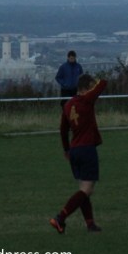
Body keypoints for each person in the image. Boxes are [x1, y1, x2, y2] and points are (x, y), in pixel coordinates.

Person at [49, 74, 107, 234]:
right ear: (86, 88)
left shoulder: (68, 105)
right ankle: (60, 217)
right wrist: (96, 82)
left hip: (75, 150)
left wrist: (66, 149)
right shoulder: (87, 100)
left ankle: (90, 224)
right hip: (87, 149)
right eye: (91, 87)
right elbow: (103, 83)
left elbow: (63, 130)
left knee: (84, 189)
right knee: (86, 190)